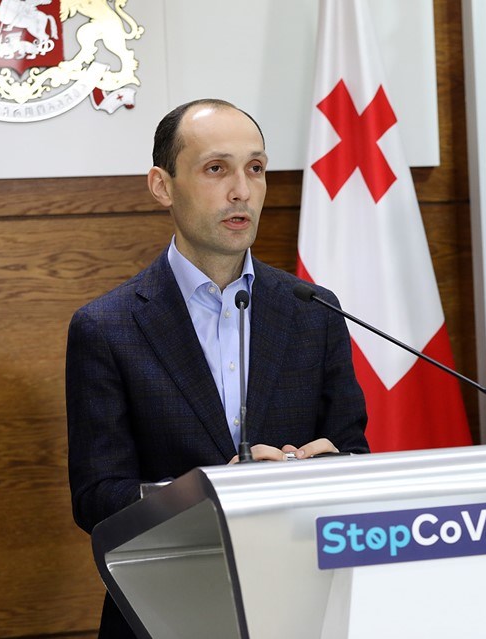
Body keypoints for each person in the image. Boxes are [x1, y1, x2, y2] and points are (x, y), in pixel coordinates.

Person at [66, 98, 369, 637]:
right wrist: (210, 494)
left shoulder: (313, 310)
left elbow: (353, 454)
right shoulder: (107, 327)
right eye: (216, 169)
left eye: (255, 168)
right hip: (168, 609)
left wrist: (321, 469)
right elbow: (97, 498)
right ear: (162, 186)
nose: (242, 191)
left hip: (300, 603)